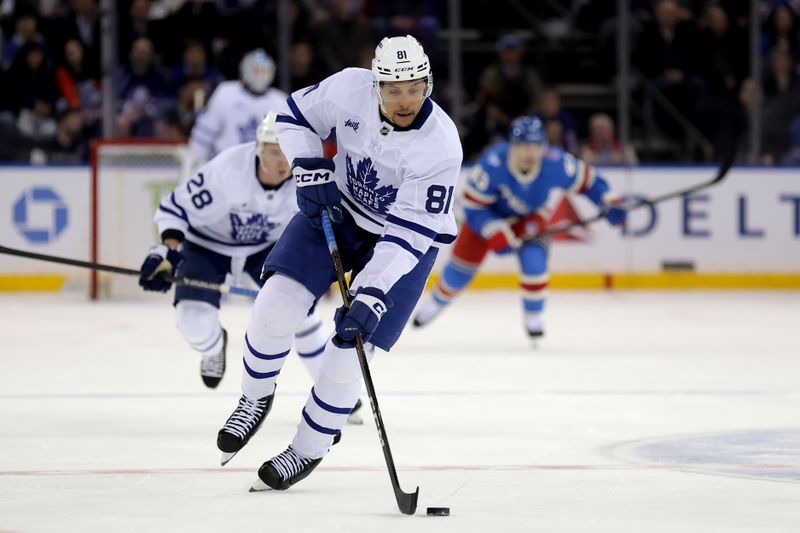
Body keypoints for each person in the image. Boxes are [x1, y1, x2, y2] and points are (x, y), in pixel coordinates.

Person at [215, 35, 462, 491]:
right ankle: (254, 399)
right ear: (375, 85)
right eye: (393, 88)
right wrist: (310, 168)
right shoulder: (348, 88)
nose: (404, 99)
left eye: (414, 87)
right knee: (275, 301)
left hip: (404, 241)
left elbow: (406, 236)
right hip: (339, 210)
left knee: (353, 347)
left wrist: (369, 292)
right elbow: (291, 115)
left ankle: (307, 448)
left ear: (428, 84)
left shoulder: (440, 146)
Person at [137, 113, 330, 391]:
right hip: (207, 246)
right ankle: (213, 346)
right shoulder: (227, 172)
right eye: (275, 152)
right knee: (193, 321)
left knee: (301, 315)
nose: (283, 162)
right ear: (259, 149)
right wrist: (166, 252)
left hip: (265, 249)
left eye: (288, 152)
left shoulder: (307, 177)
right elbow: (175, 209)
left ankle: (332, 393)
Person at [413, 116, 627, 339]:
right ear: (512, 147)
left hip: (529, 219)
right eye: (524, 146)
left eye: (536, 146)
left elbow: (590, 181)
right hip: (486, 217)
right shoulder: (493, 163)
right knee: (460, 269)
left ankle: (533, 317)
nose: (530, 153)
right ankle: (436, 303)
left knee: (535, 262)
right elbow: (471, 204)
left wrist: (609, 201)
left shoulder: (556, 163)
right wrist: (493, 230)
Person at [188, 49, 287, 168]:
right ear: (245, 70)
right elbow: (204, 133)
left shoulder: (280, 101)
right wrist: (194, 164)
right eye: (256, 70)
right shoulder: (225, 93)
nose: (260, 76)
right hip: (224, 167)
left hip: (263, 171)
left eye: (264, 71)